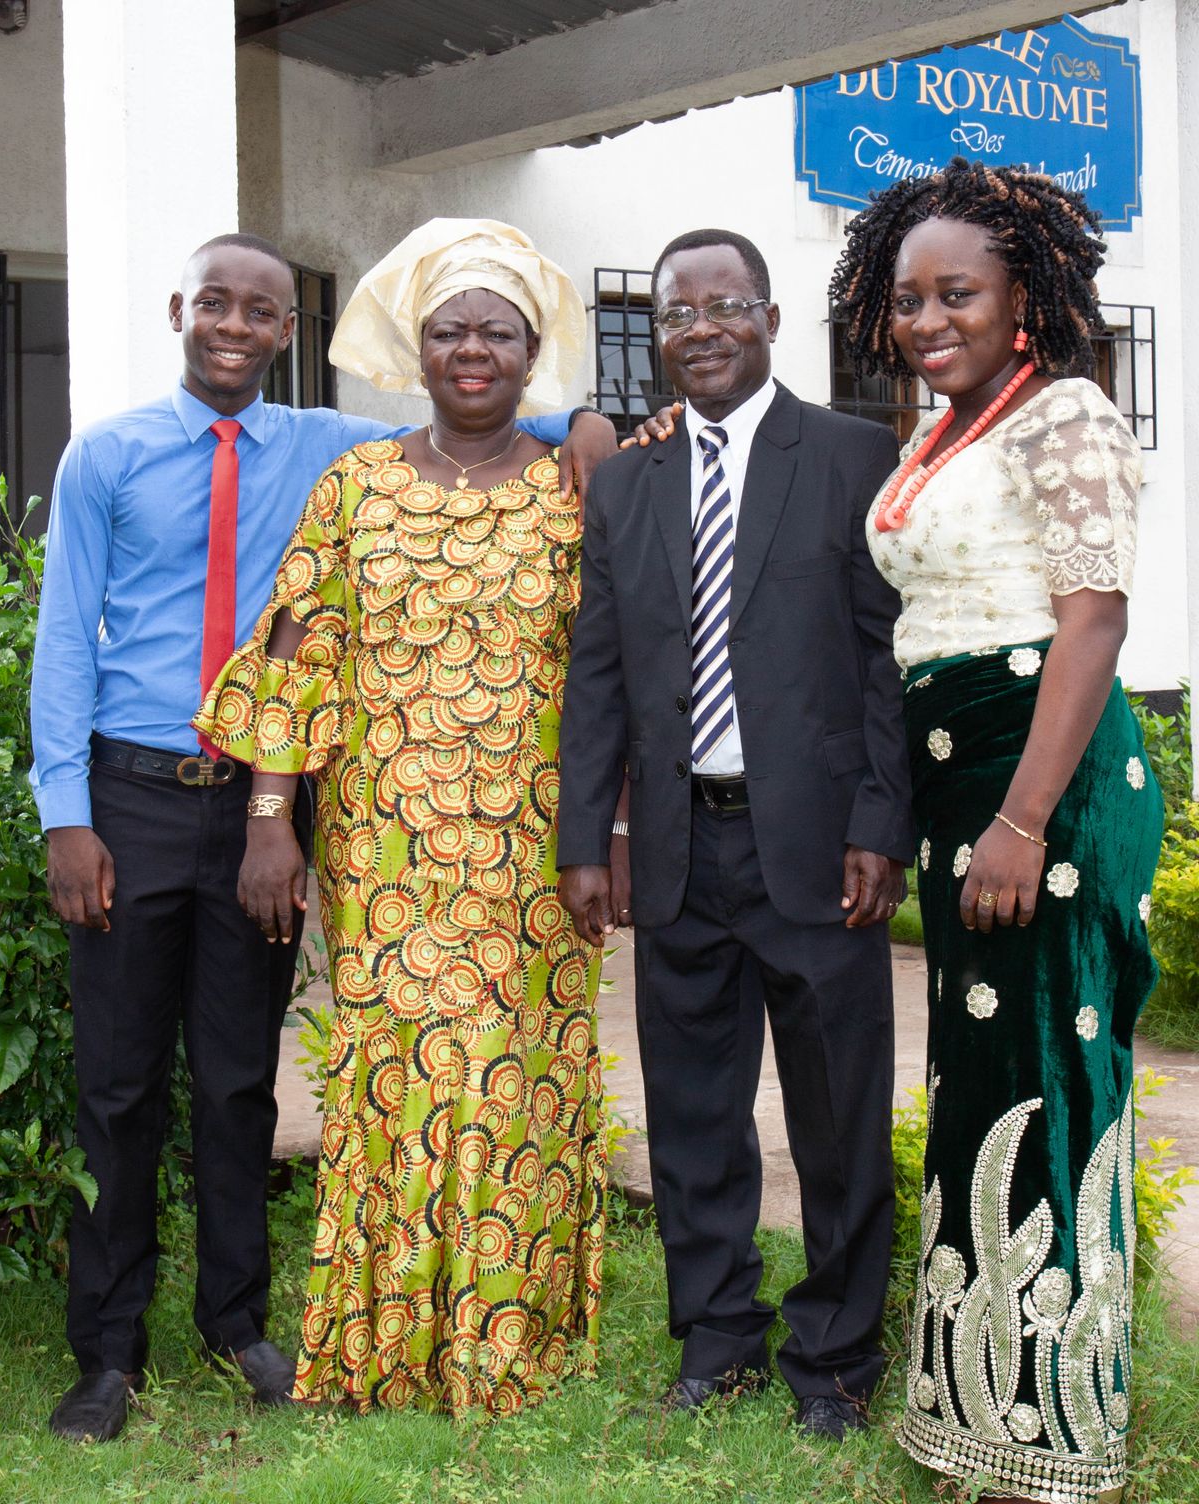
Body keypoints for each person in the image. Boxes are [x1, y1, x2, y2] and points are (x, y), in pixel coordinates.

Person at [30, 229, 616, 1443]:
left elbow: (495, 425)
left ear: (290, 333)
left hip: (265, 797)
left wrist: (601, 426)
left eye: (262, 311)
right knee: (121, 1083)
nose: (237, 327)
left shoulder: (324, 445)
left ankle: (236, 1323)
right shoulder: (110, 454)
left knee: (243, 1079)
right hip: (133, 793)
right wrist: (66, 815)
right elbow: (59, 645)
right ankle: (108, 1348)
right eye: (216, 306)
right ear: (178, 309)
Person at [194, 219, 614, 1418]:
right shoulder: (357, 483)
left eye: (497, 331)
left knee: (512, 1074)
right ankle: (382, 1344)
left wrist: (612, 832)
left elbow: (613, 670)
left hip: (533, 842)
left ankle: (504, 1342)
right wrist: (272, 811)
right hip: (381, 844)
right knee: (393, 1074)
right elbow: (298, 646)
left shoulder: (571, 486)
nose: (471, 350)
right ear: (414, 349)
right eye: (449, 331)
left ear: (532, 354)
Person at [827, 158, 1162, 1504]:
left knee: (1054, 1075)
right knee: (982, 1077)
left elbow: (1096, 621)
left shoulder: (1063, 416)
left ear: (1025, 293)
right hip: (966, 781)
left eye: (955, 293)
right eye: (907, 300)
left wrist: (1024, 816)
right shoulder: (938, 434)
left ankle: (1056, 1442)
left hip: (1048, 780)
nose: (925, 320)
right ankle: (971, 1411)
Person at [556, 227, 914, 1438]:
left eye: (726, 306)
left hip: (818, 844)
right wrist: (584, 833)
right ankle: (718, 1339)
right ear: (655, 336)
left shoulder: (858, 453)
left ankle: (839, 1352)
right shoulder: (628, 480)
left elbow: (884, 656)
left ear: (768, 318)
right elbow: (597, 669)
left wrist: (882, 816)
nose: (701, 328)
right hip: (677, 844)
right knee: (694, 1113)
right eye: (676, 313)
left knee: (836, 1113)